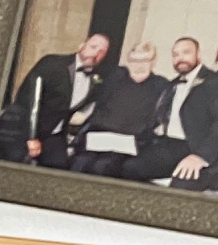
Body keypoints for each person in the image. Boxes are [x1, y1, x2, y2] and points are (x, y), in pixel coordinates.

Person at [123, 36, 218, 193]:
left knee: (181, 184)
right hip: (173, 145)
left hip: (206, 149)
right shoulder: (172, 85)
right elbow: (156, 120)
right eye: (175, 55)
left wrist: (200, 157)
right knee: (129, 167)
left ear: (198, 55)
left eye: (186, 52)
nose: (180, 58)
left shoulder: (217, 82)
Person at [4, 32, 108, 167]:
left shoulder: (97, 79)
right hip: (23, 130)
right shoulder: (52, 63)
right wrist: (31, 137)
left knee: (59, 168)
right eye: (93, 47)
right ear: (82, 46)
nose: (95, 54)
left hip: (55, 136)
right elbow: (29, 100)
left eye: (102, 51)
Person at [68, 42, 167, 178]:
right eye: (134, 60)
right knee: (79, 163)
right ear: (128, 61)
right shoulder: (115, 77)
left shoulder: (161, 86)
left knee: (102, 167)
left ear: (153, 61)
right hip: (98, 136)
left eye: (144, 60)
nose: (139, 65)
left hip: (129, 142)